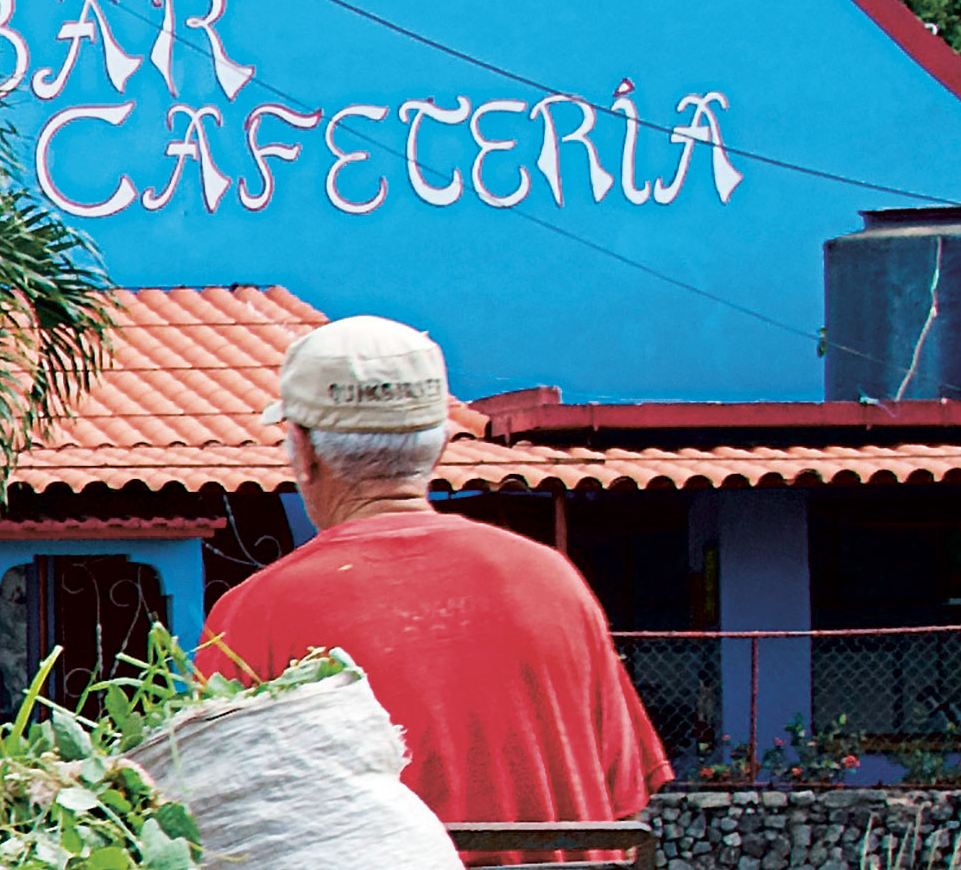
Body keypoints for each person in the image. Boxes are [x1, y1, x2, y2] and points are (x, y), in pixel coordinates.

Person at [196, 312, 670, 823]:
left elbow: (212, 819)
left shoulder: (254, 613)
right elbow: (623, 794)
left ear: (305, 452)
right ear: (441, 445)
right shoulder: (555, 581)